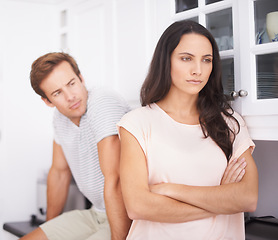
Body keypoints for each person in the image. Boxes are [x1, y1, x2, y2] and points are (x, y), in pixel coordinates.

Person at [117, 20, 258, 239]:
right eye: (186, 58)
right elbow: (138, 206)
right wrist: (221, 200)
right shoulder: (136, 123)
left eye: (206, 60)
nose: (198, 70)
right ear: (166, 61)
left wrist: (172, 190)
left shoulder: (230, 124)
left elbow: (247, 198)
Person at [21, 52, 131, 240]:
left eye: (71, 84)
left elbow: (116, 179)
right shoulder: (59, 118)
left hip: (126, 215)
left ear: (81, 79)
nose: (70, 97)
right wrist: (50, 227)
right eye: (57, 93)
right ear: (48, 101)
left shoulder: (102, 102)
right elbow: (59, 173)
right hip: (95, 214)